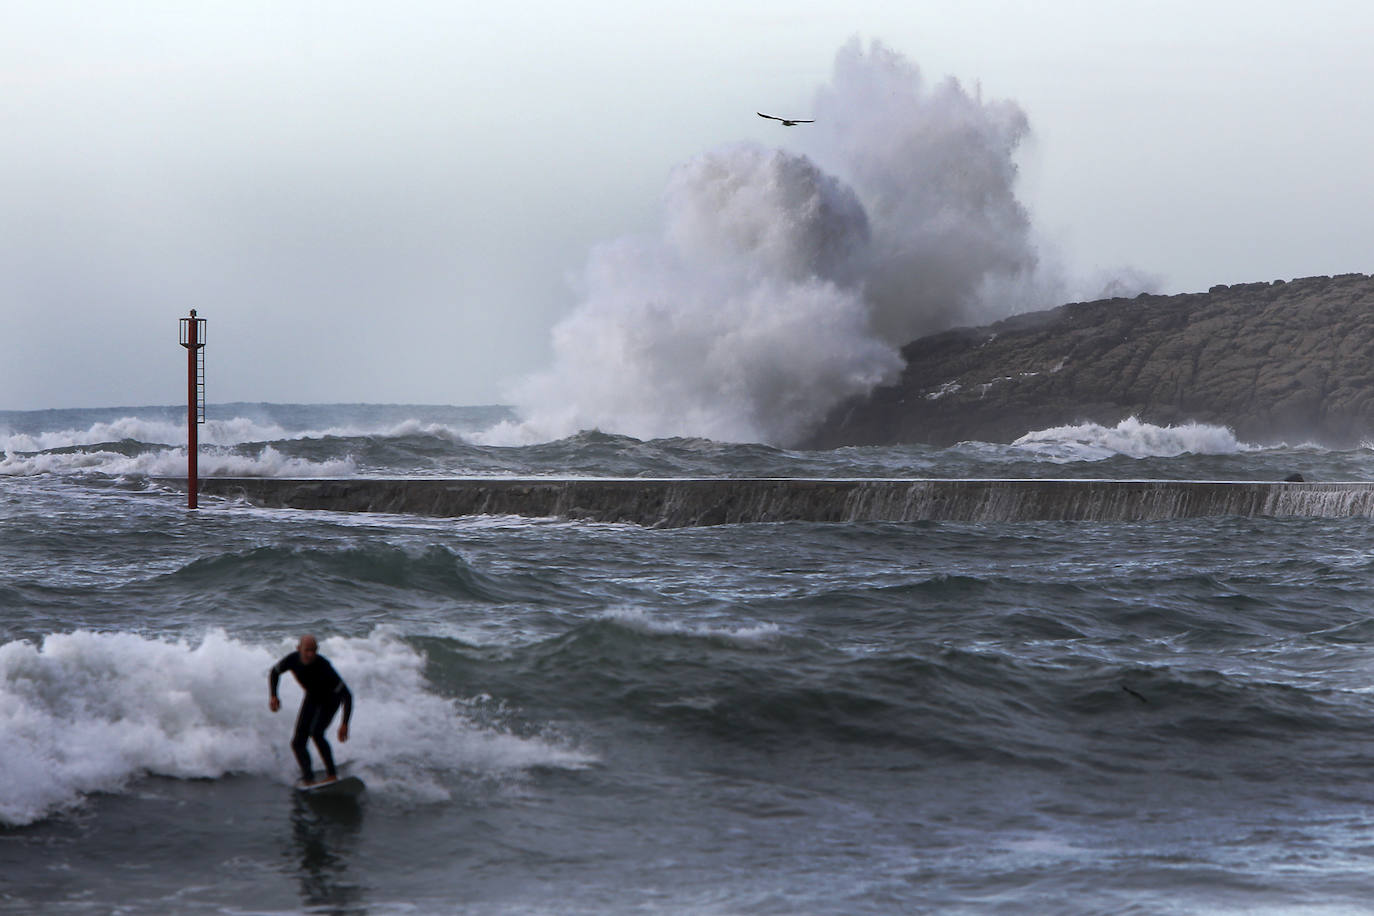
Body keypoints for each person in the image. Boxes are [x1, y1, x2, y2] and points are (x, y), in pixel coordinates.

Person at [269, 634, 353, 785]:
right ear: (298, 649)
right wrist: (274, 696)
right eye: (307, 650)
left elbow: (347, 695)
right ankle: (308, 778)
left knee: (316, 733)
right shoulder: (292, 660)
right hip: (312, 699)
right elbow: (274, 672)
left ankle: (332, 774)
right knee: (297, 742)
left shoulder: (324, 666)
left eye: (314, 650)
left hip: (330, 700)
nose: (310, 654)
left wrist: (345, 723)